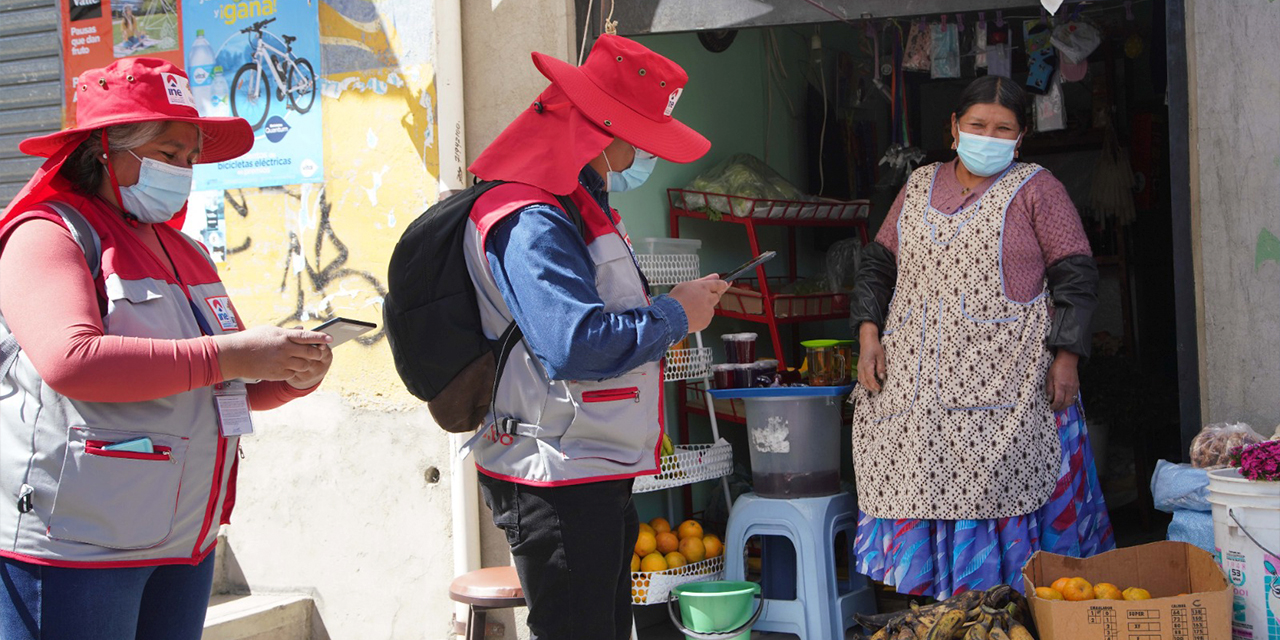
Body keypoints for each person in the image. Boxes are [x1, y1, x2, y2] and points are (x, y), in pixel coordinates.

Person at [0, 57, 333, 640]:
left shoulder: (186, 252)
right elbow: (69, 361)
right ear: (106, 149)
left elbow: (211, 382)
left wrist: (285, 375)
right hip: (76, 548)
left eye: (191, 158)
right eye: (168, 154)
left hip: (185, 541)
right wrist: (231, 355)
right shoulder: (47, 234)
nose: (185, 171)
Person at [461, 35, 726, 639]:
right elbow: (573, 343)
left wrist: (669, 314)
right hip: (555, 476)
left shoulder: (575, 203)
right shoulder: (530, 214)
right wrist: (674, 315)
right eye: (641, 139)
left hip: (588, 467)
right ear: (605, 133)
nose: (643, 156)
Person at [849, 76, 1114, 599]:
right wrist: (867, 335)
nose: (988, 136)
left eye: (1003, 129)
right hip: (916, 393)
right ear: (954, 128)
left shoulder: (1038, 188)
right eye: (977, 125)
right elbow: (878, 265)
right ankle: (943, 619)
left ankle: (1019, 616)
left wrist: (1067, 357)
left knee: (1012, 512)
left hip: (1010, 388)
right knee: (924, 494)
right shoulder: (920, 184)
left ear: (1020, 138)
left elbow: (1076, 277)